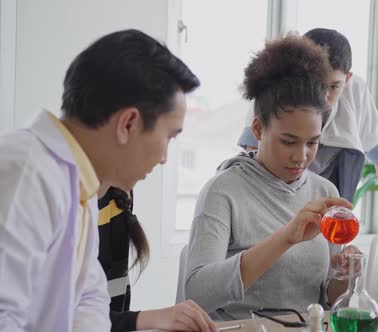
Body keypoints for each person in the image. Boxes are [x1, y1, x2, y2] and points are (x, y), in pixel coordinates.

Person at [0, 29, 214, 332]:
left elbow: (90, 300)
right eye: (168, 137)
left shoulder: (81, 183)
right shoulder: (27, 173)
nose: (165, 157)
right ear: (128, 124)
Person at [184, 34, 358, 320]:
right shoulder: (223, 191)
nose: (301, 156)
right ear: (257, 129)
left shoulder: (323, 190)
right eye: (288, 141)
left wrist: (343, 275)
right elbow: (197, 292)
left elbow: (330, 297)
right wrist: (285, 238)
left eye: (312, 142)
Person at [238, 28, 378, 228]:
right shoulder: (272, 87)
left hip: (326, 216)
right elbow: (253, 155)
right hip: (273, 204)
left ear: (348, 79)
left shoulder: (355, 92)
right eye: (319, 84)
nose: (324, 97)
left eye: (334, 86)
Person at [98, 187, 217, 332]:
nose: (163, 162)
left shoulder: (119, 193)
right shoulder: (79, 203)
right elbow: (76, 318)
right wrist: (152, 318)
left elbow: (111, 300)